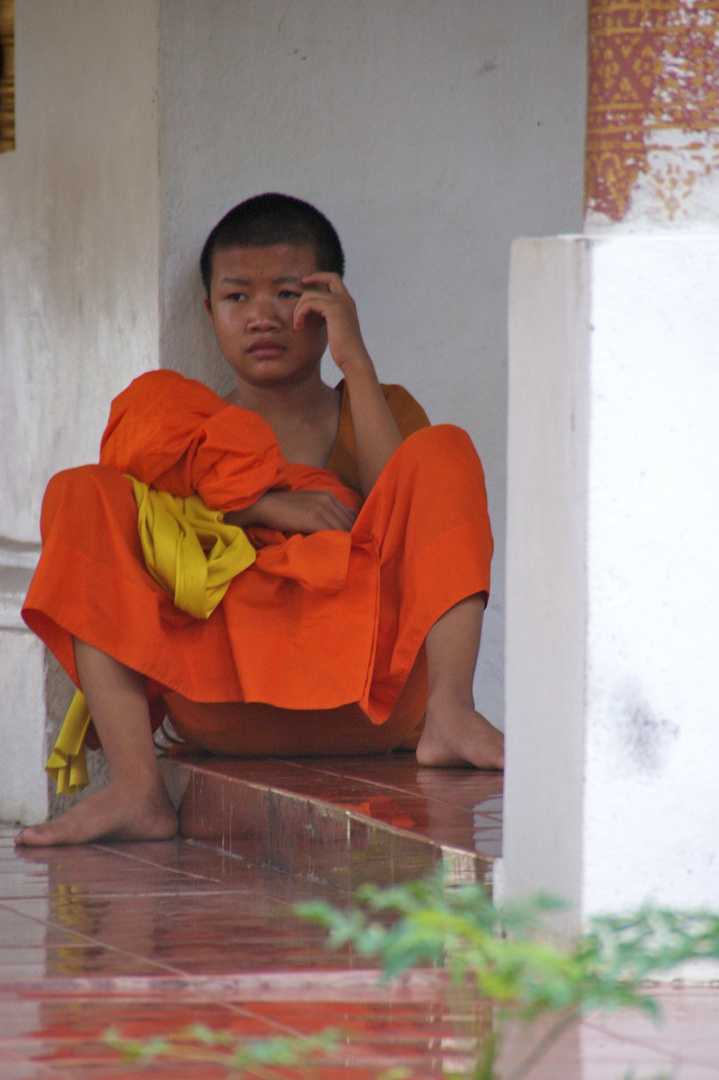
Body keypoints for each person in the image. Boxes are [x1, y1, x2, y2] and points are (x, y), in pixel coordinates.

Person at [16, 193, 503, 848]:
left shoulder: (377, 412)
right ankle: (136, 786)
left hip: (373, 703)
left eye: (287, 294)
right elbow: (125, 474)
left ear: (330, 304)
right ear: (209, 312)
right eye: (237, 298)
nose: (262, 318)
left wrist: (353, 359)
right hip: (221, 701)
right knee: (82, 491)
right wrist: (258, 503)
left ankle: (452, 712)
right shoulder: (185, 426)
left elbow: (403, 520)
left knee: (444, 449)